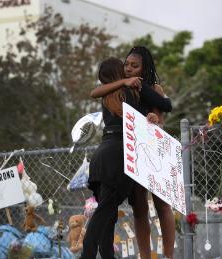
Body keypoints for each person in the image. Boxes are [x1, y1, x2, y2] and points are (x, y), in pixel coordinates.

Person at [81, 56, 171, 259]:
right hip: (118, 155)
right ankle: (87, 253)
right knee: (105, 211)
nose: (127, 70)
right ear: (117, 73)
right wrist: (153, 117)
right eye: (124, 68)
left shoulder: (107, 96)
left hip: (102, 156)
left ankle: (106, 255)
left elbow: (94, 92)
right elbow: (149, 116)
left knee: (109, 213)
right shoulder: (128, 92)